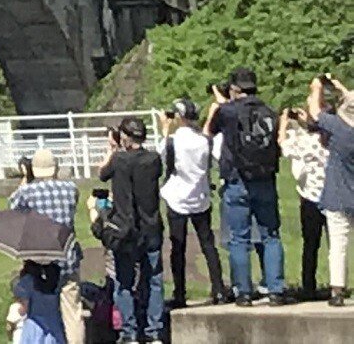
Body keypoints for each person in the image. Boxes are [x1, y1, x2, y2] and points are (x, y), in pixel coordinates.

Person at [207, 67, 289, 301]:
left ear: (234, 88)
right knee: (271, 235)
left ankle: (243, 291)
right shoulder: (268, 111)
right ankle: (275, 289)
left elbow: (210, 131)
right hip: (265, 178)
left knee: (239, 238)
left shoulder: (227, 111)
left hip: (236, 178)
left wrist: (219, 104)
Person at [97, 117, 166, 341]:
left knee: (124, 281)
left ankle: (129, 333)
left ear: (125, 137)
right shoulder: (153, 159)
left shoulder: (118, 160)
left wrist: (112, 149)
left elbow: (102, 174)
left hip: (125, 229)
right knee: (154, 280)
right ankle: (154, 331)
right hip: (151, 226)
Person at [159, 96, 225, 307]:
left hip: (177, 198)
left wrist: (164, 130)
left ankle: (180, 293)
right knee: (208, 244)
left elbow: (161, 157)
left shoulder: (173, 141)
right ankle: (219, 288)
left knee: (178, 247)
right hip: (201, 196)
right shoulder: (204, 141)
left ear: (179, 117)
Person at [311, 75, 354, 309]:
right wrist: (338, 87)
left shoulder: (338, 128)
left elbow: (315, 111)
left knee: (338, 244)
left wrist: (318, 87)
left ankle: (337, 290)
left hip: (338, 194)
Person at [283, 98, 331, 303]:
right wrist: (308, 121)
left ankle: (308, 286)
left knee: (310, 245)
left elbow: (284, 147)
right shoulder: (332, 140)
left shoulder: (304, 141)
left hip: (310, 197)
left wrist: (285, 123)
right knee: (335, 244)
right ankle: (338, 284)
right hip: (331, 197)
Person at [11, 148, 84, 279]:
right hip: (67, 258)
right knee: (70, 295)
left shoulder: (26, 191)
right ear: (56, 168)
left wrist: (26, 178)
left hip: (39, 260)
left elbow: (14, 209)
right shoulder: (71, 189)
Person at [8, 262, 68, 344]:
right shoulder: (56, 278)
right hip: (54, 323)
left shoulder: (27, 281)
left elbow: (24, 308)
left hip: (35, 325)